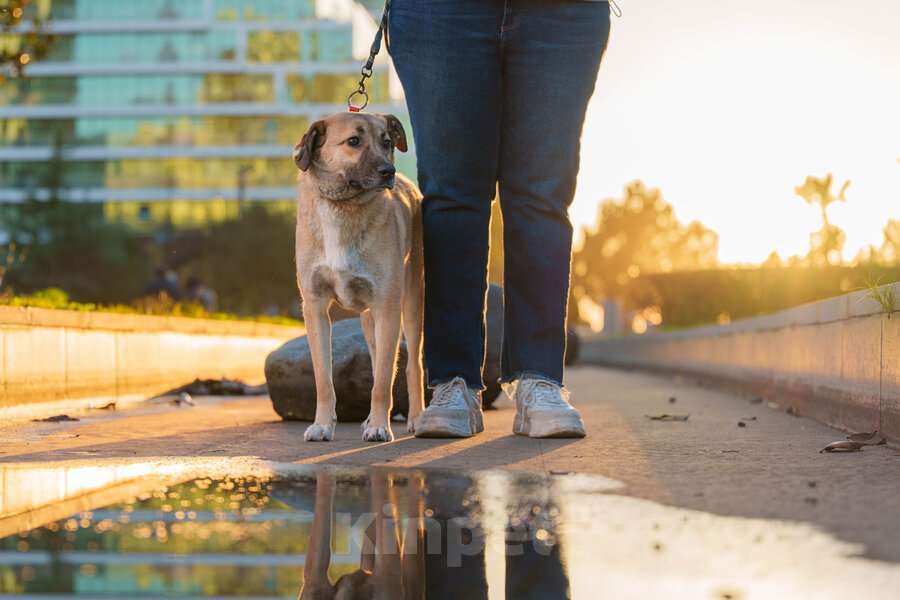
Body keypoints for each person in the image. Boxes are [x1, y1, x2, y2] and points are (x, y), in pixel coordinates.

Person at [389, 0, 611, 439]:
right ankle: (453, 384)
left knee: (542, 194)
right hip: (440, 13)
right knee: (451, 194)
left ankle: (539, 380)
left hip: (563, 12)